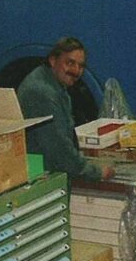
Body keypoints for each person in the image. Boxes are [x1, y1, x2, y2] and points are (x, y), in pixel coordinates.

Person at [17, 36, 114, 182]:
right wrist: (95, 172)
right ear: (53, 60)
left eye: (81, 66)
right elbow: (58, 148)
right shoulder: (42, 92)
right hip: (42, 177)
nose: (76, 71)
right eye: (70, 63)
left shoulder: (53, 83)